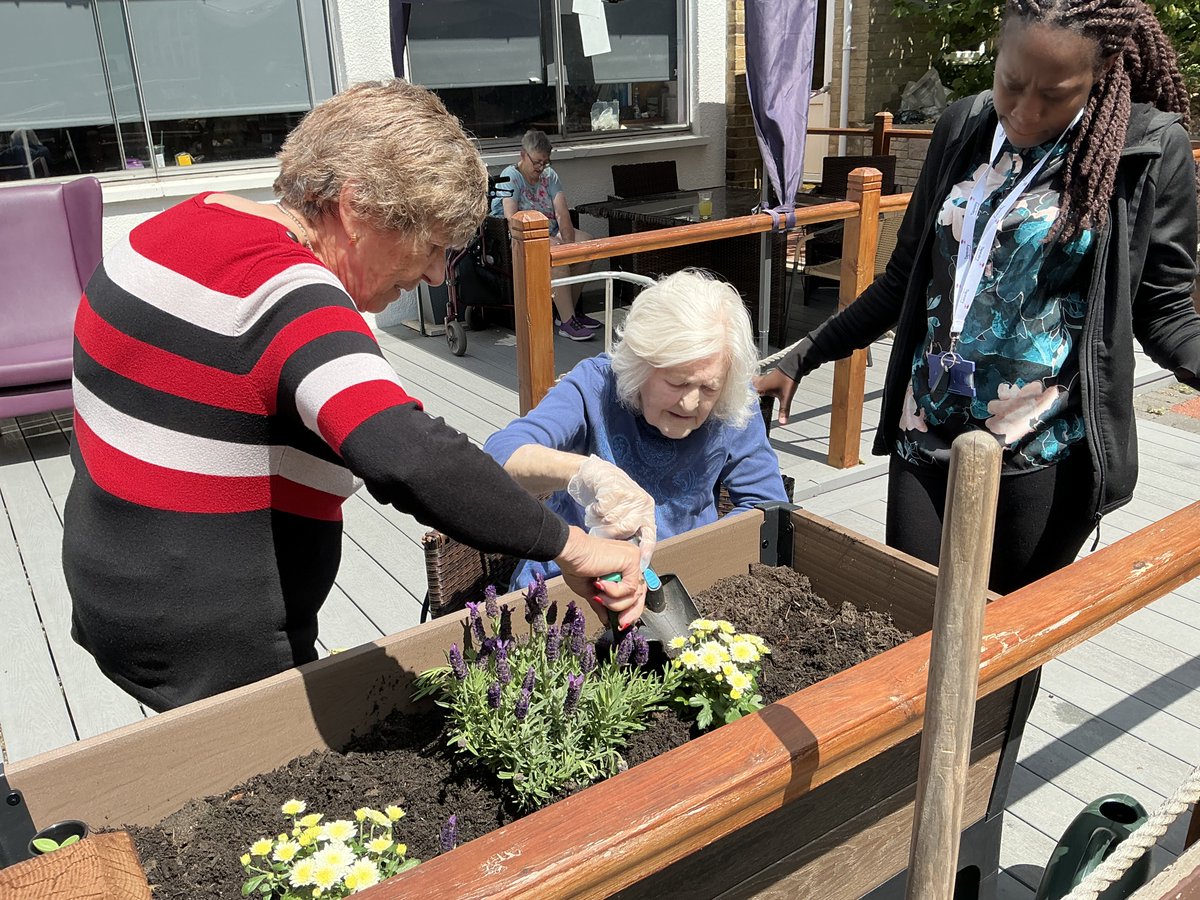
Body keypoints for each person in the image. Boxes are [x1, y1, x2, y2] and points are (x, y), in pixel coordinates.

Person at [62, 80, 646, 712]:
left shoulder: (160, 234)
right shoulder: (289, 295)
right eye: (429, 246)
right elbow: (410, 456)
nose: (431, 274)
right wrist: (574, 546)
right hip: (221, 658)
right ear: (356, 205)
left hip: (108, 590)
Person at [756, 0, 1200, 594]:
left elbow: (1164, 308)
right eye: (1011, 83)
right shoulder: (963, 127)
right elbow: (903, 280)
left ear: (1102, 72)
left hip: (1039, 452)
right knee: (913, 621)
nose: (1024, 110)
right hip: (926, 430)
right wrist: (803, 353)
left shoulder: (1144, 150)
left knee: (1002, 652)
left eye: (1055, 93)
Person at [484, 269, 788, 591]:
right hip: (570, 580)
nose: (689, 403)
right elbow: (499, 456)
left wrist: (699, 559)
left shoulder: (732, 400)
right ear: (640, 363)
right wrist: (589, 472)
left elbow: (768, 508)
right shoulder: (596, 386)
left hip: (680, 586)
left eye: (708, 388)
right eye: (676, 382)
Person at [491, 129, 598, 342]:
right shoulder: (510, 176)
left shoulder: (550, 176)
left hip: (551, 232)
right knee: (557, 255)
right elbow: (512, 218)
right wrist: (551, 242)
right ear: (523, 155)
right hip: (522, 237)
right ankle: (568, 323)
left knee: (588, 245)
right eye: (537, 162)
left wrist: (569, 245)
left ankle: (567, 314)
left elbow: (561, 212)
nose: (541, 168)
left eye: (545, 162)